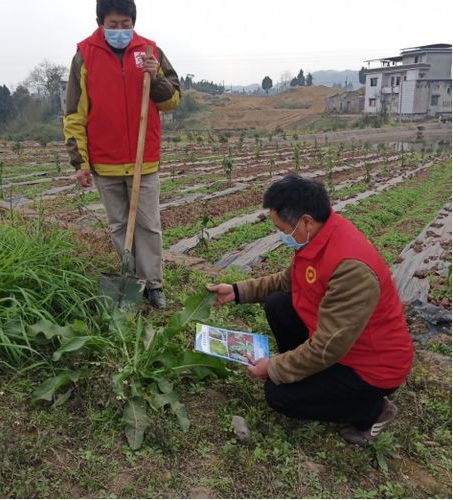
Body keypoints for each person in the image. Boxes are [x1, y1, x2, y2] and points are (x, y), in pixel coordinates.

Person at [208, 175, 414, 445]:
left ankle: (374, 411)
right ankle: (309, 378)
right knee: (279, 303)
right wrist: (236, 291)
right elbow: (285, 282)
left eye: (282, 229)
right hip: (340, 345)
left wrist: (275, 368)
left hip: (371, 368)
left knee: (278, 395)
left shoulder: (350, 268)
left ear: (305, 220)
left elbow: (327, 348)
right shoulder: (319, 236)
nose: (281, 236)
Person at [64, 0, 181, 309]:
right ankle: (130, 280)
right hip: (105, 161)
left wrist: (155, 78)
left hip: (145, 160)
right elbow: (75, 113)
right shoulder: (85, 55)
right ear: (101, 22)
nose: (120, 30)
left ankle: (154, 284)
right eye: (113, 24)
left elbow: (173, 100)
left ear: (133, 22)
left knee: (148, 224)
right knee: (118, 224)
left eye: (125, 24)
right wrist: (80, 162)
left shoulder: (151, 51)